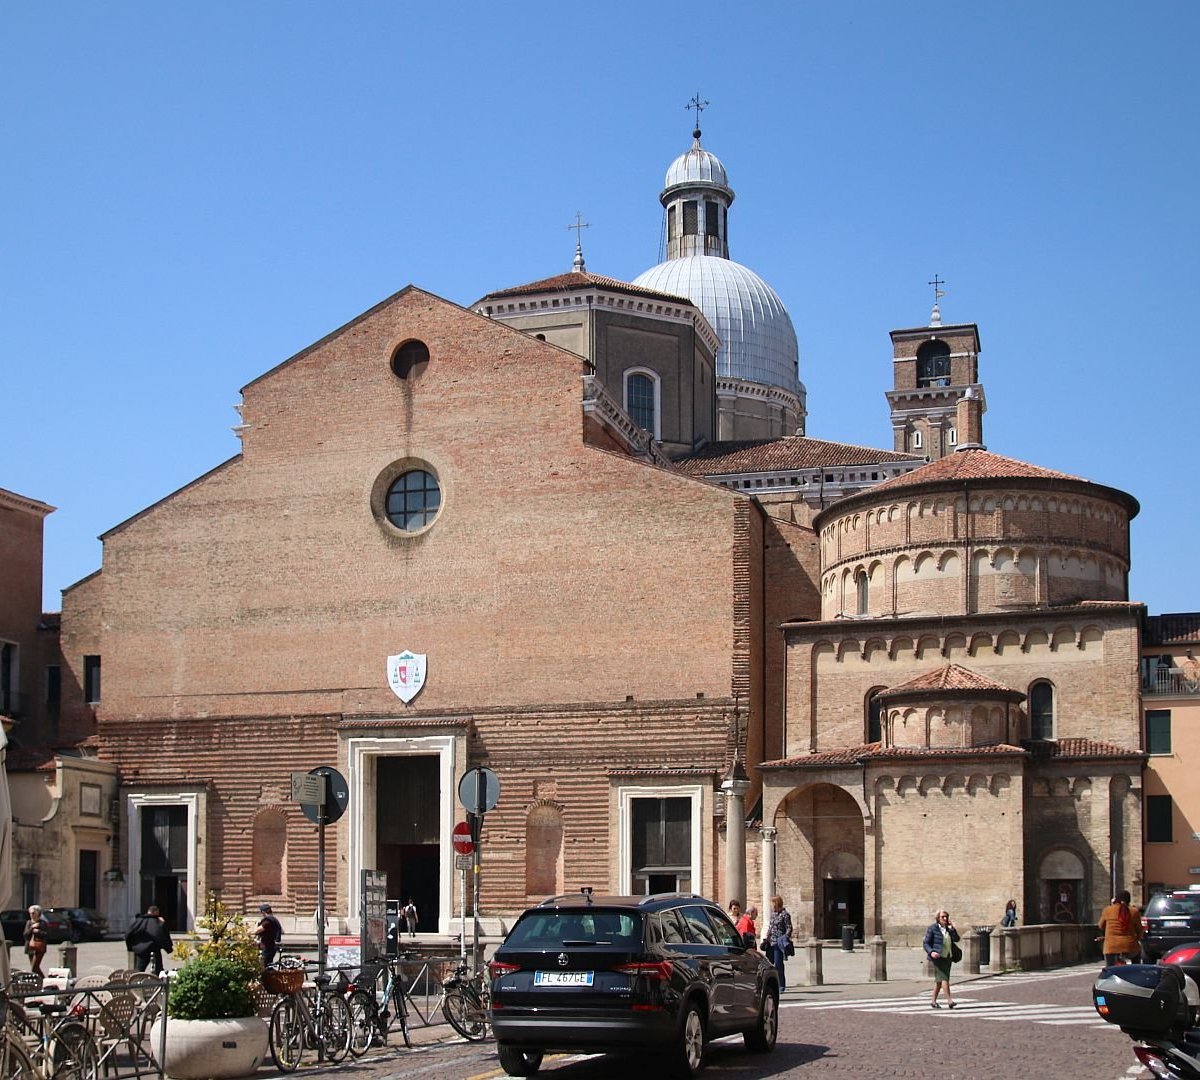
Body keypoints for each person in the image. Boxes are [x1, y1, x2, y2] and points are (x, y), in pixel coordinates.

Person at [923, 909, 960, 1008]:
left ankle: (933, 1001)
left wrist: (952, 928)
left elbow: (957, 939)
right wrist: (931, 952)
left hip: (948, 956)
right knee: (945, 978)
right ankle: (949, 1001)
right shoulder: (932, 928)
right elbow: (926, 943)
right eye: (942, 917)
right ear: (938, 918)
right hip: (938, 957)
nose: (945, 918)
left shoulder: (948, 929)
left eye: (946, 917)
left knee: (939, 980)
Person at [1098, 890, 1142, 966]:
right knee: (1137, 957)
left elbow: (1100, 925)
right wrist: (1137, 938)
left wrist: (1106, 934)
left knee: (1109, 967)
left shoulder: (1108, 910)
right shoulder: (1134, 911)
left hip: (1111, 946)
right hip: (1130, 946)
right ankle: (1135, 973)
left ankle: (1109, 974)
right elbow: (1139, 929)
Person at [125, 904, 173, 974]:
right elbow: (159, 935)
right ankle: (158, 983)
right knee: (159, 970)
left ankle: (135, 982)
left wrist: (131, 947)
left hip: (140, 950)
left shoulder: (139, 920)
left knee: (139, 970)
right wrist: (168, 948)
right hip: (154, 949)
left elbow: (128, 933)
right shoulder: (156, 922)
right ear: (155, 912)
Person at [764, 895, 793, 991]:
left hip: (778, 942)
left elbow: (789, 928)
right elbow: (770, 926)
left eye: (772, 903)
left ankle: (781, 984)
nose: (771, 906)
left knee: (778, 964)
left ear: (777, 903)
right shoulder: (773, 914)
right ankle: (770, 984)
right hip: (770, 941)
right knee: (769, 964)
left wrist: (785, 938)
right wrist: (766, 936)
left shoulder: (785, 914)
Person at [254, 902, 283, 967]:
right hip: (272, 947)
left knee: (264, 967)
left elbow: (256, 931)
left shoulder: (267, 921)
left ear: (263, 912)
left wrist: (256, 924)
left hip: (267, 947)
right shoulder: (275, 919)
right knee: (269, 965)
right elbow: (282, 931)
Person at [22, 905, 48, 977]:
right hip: (30, 947)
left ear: (38, 913)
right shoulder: (29, 923)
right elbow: (25, 935)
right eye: (30, 913)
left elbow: (46, 934)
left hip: (39, 948)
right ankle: (38, 982)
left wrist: (38, 931)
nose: (31, 915)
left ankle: (44, 980)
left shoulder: (42, 923)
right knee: (34, 968)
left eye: (33, 913)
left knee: (34, 967)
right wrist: (31, 928)